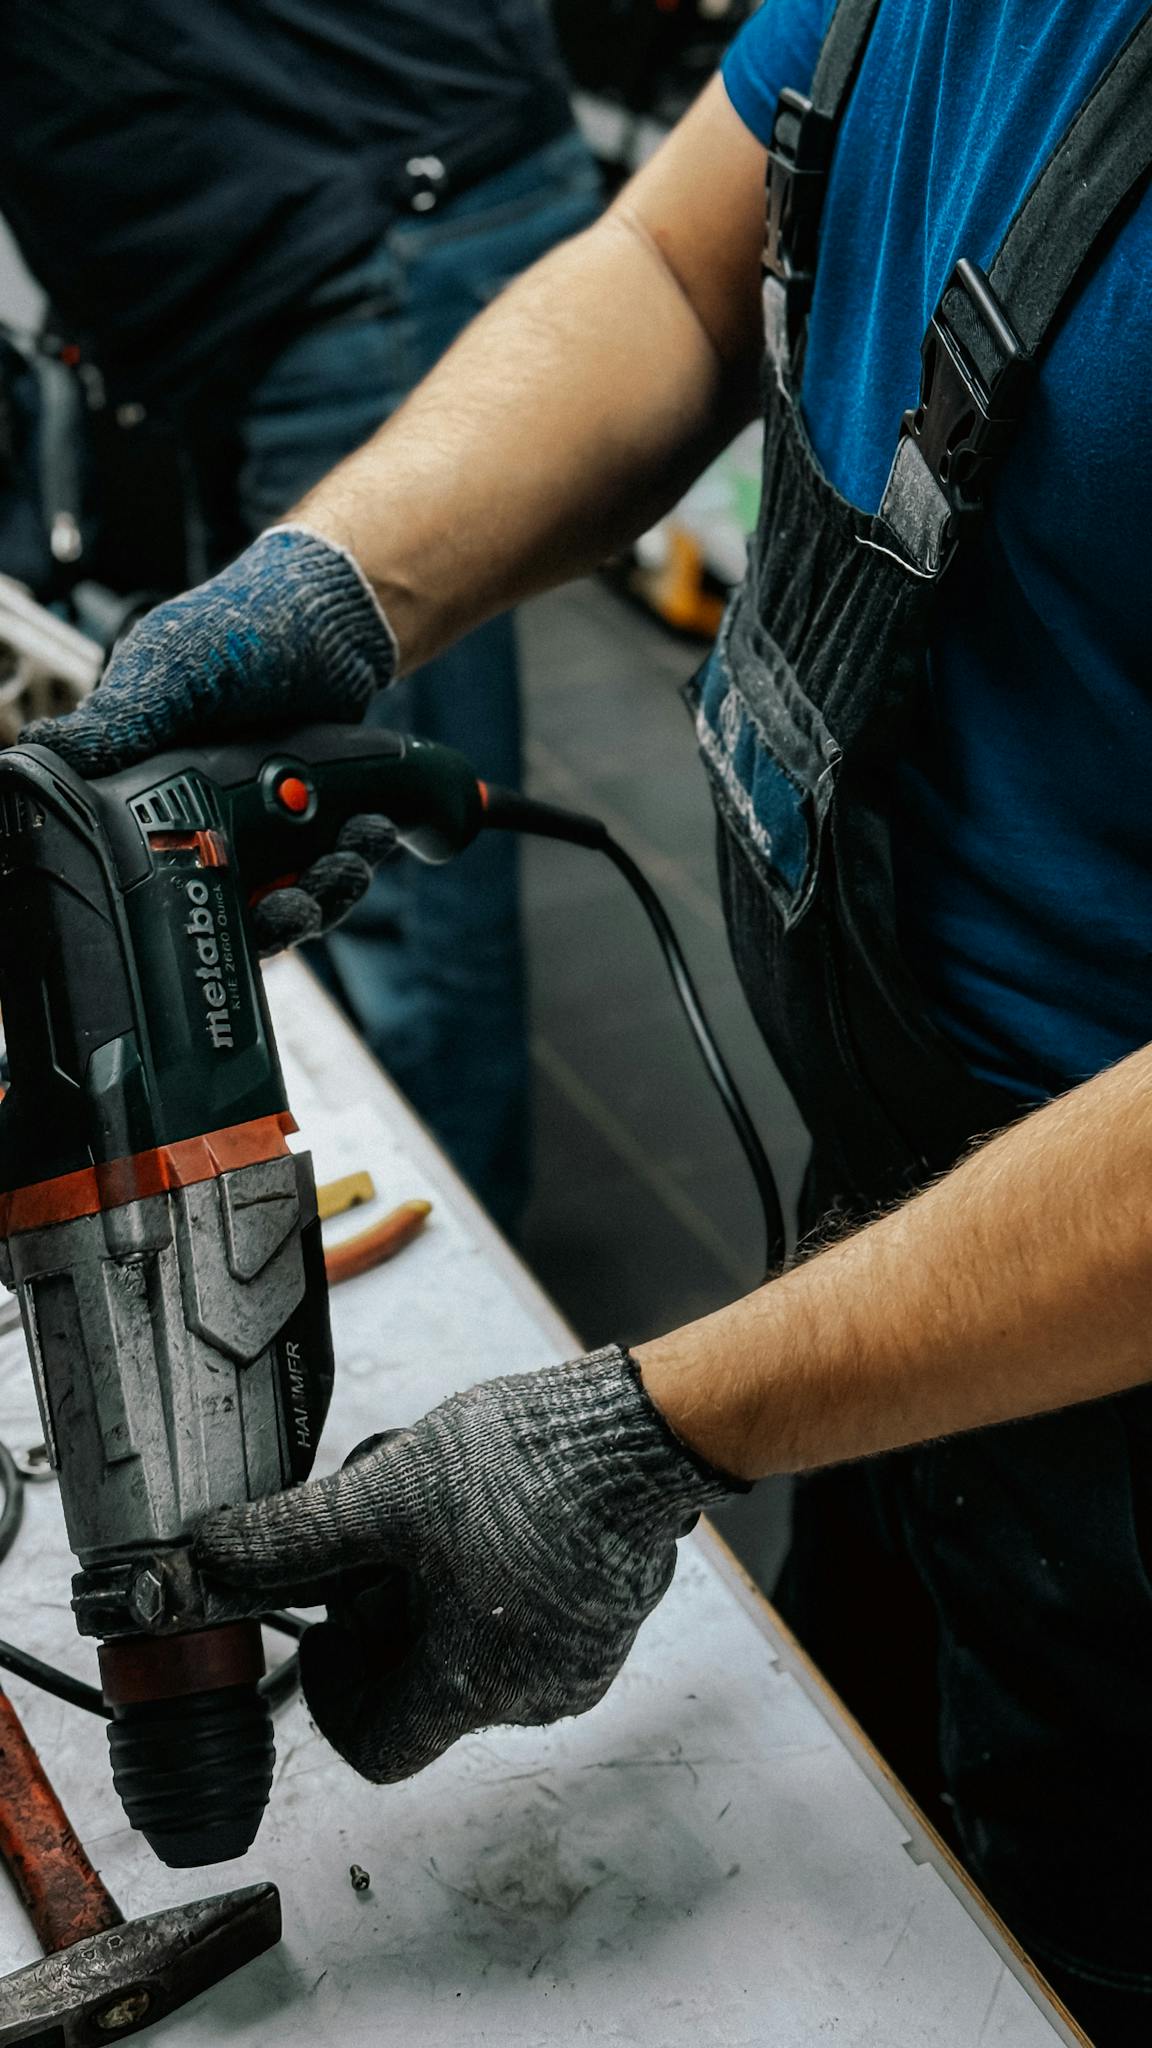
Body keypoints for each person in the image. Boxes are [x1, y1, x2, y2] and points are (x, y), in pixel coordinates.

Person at [25, 2, 1152, 2039]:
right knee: (893, 1848)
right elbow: (670, 260)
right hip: (920, 1252)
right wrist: (334, 589)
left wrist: (650, 1429)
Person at [0, 0, 603, 1231]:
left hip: (373, 229)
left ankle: (470, 1357)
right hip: (261, 265)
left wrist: (328, 596)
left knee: (390, 882)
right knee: (298, 818)